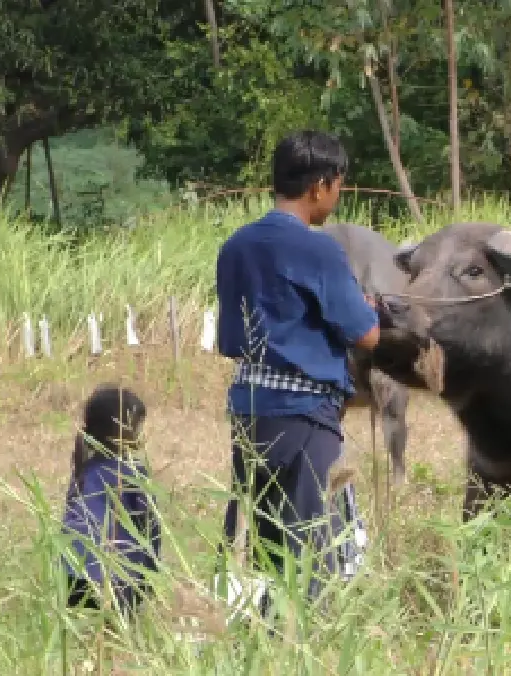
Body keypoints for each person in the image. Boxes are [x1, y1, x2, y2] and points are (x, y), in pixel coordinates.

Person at [214, 130, 381, 610]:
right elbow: (365, 333)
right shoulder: (320, 250)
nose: (337, 196)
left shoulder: (236, 247)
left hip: (251, 413)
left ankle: (260, 637)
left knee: (260, 541)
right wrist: (367, 311)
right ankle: (303, 643)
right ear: (319, 187)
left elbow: (231, 340)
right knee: (312, 545)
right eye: (339, 186)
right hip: (306, 416)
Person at [60, 385, 160, 619]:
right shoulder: (134, 473)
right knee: (119, 639)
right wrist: (150, 574)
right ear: (125, 431)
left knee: (85, 638)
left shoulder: (83, 469)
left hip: (75, 571)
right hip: (116, 574)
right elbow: (149, 527)